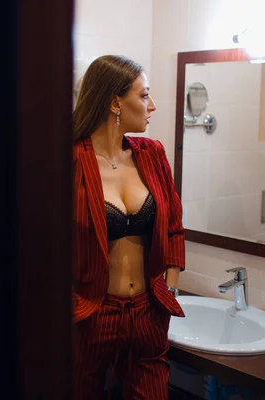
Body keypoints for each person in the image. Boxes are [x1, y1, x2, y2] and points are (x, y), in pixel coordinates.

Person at [71, 55, 185, 400]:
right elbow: (41, 245)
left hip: (147, 311)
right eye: (144, 95)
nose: (153, 105)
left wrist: (170, 289)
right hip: (90, 313)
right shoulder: (69, 160)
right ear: (114, 102)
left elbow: (174, 228)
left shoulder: (152, 154)